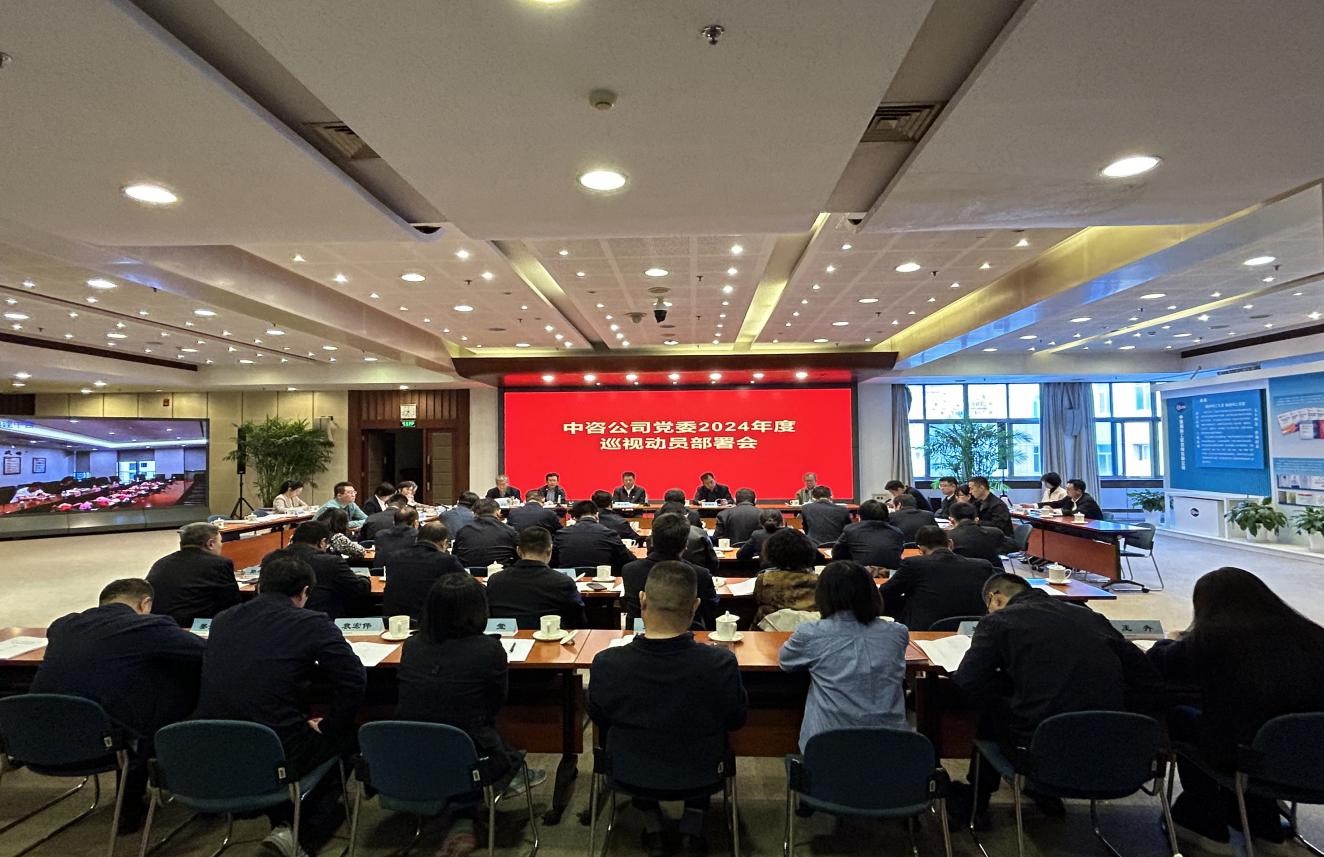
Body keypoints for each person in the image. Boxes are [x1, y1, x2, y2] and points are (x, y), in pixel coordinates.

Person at [948, 573, 1162, 828]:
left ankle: (977, 803)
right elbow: (1145, 676)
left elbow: (968, 682)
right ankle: (1040, 793)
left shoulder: (998, 622)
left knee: (993, 710)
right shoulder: (1090, 617)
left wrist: (1009, 686)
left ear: (995, 599)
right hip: (1115, 749)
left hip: (1042, 749)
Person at [196, 554, 366, 857]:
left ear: (259, 586)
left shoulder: (223, 619)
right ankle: (297, 831)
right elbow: (353, 678)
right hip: (273, 744)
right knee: (347, 737)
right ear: (304, 593)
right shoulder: (311, 621)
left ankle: (285, 819)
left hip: (210, 742)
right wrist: (329, 723)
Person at [1146, 568, 1324, 852]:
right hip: (1311, 761)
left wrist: (1175, 639)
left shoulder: (1212, 639)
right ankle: (1264, 826)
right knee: (1257, 729)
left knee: (1182, 716)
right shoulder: (1312, 635)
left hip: (1247, 757)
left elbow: (1159, 662)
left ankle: (1203, 820)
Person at [588, 562, 748, 857]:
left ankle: (653, 827)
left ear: (642, 601)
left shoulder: (607, 663)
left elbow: (599, 717)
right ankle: (692, 829)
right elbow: (736, 719)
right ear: (695, 606)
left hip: (629, 770)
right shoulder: (721, 664)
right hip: (702, 771)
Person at [32, 578, 205, 831]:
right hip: (103, 740)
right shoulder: (147, 626)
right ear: (145, 604)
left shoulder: (63, 625)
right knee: (174, 693)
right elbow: (203, 651)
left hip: (37, 738)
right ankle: (149, 797)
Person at [396, 575, 546, 855]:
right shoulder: (488, 649)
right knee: (479, 734)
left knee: (461, 728)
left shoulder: (412, 645)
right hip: (471, 757)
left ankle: (465, 809)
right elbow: (495, 703)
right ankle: (480, 798)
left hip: (409, 755)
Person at [779, 561, 909, 750]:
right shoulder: (897, 632)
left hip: (827, 746)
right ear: (872, 593)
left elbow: (785, 661)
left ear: (822, 596)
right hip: (893, 745)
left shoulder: (810, 634)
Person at [879, 525, 994, 631]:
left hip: (924, 630)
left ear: (921, 549)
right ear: (950, 543)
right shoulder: (982, 566)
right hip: (974, 630)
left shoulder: (914, 564)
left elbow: (885, 593)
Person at [621, 512, 720, 629]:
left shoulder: (630, 570)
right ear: (686, 544)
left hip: (641, 629)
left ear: (652, 541)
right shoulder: (701, 574)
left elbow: (634, 613)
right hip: (688, 630)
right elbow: (710, 610)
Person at [484, 526, 585, 629]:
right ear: (549, 550)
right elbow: (578, 619)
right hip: (550, 636)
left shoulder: (495, 580)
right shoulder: (563, 582)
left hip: (506, 637)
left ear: (518, 551)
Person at [267, 521, 370, 620]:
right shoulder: (331, 562)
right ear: (322, 542)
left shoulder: (271, 559)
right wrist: (365, 578)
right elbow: (359, 589)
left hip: (274, 621)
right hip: (323, 621)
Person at [145, 522, 240, 627]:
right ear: (211, 544)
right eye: (220, 541)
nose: (221, 545)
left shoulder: (161, 563)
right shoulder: (219, 564)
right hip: (195, 627)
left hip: (160, 625)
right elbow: (232, 602)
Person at [382, 522, 468, 625]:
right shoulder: (447, 560)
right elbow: (468, 587)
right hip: (430, 622)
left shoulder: (393, 557)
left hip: (392, 621)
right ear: (444, 543)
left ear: (417, 539)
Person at [753, 528, 821, 624]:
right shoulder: (821, 582)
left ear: (772, 554)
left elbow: (757, 600)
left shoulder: (764, 580)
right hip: (811, 628)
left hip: (773, 627)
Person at [552, 499, 634, 572]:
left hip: (568, 580)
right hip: (603, 580)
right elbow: (628, 559)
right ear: (597, 515)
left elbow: (552, 561)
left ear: (574, 518)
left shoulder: (561, 534)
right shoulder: (609, 534)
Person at [831, 499, 905, 569]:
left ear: (860, 516)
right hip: (891, 573)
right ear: (886, 516)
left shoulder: (850, 530)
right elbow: (898, 552)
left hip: (861, 573)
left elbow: (836, 554)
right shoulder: (897, 532)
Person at [451, 498, 518, 568]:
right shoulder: (509, 531)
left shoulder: (463, 531)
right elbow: (519, 554)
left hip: (469, 572)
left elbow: (455, 554)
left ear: (474, 513)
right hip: (501, 572)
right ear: (498, 512)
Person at [658, 500, 720, 573]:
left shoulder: (655, 534)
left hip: (660, 573)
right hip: (697, 574)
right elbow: (713, 563)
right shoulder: (699, 533)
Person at [947, 501, 1016, 567]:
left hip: (963, 572)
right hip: (992, 572)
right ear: (976, 519)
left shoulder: (949, 537)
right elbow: (1013, 546)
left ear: (952, 520)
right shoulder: (995, 533)